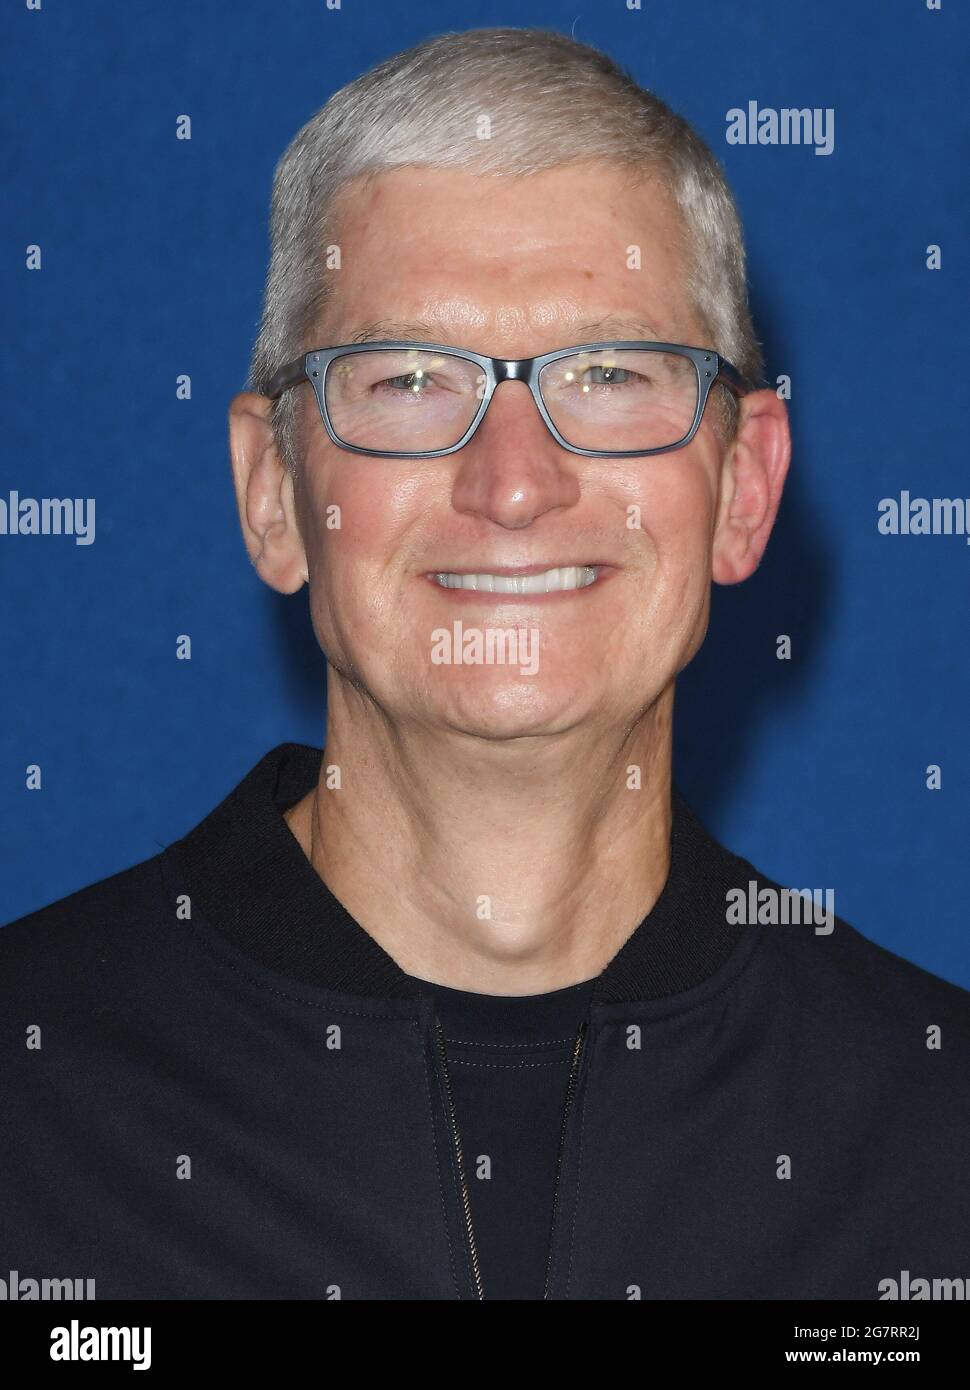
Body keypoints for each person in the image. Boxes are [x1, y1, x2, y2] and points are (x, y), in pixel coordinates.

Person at [2, 27, 968, 1302]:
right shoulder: (33, 1112)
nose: (513, 482)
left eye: (612, 373)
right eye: (407, 378)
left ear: (743, 489)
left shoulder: (928, 1139)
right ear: (273, 494)